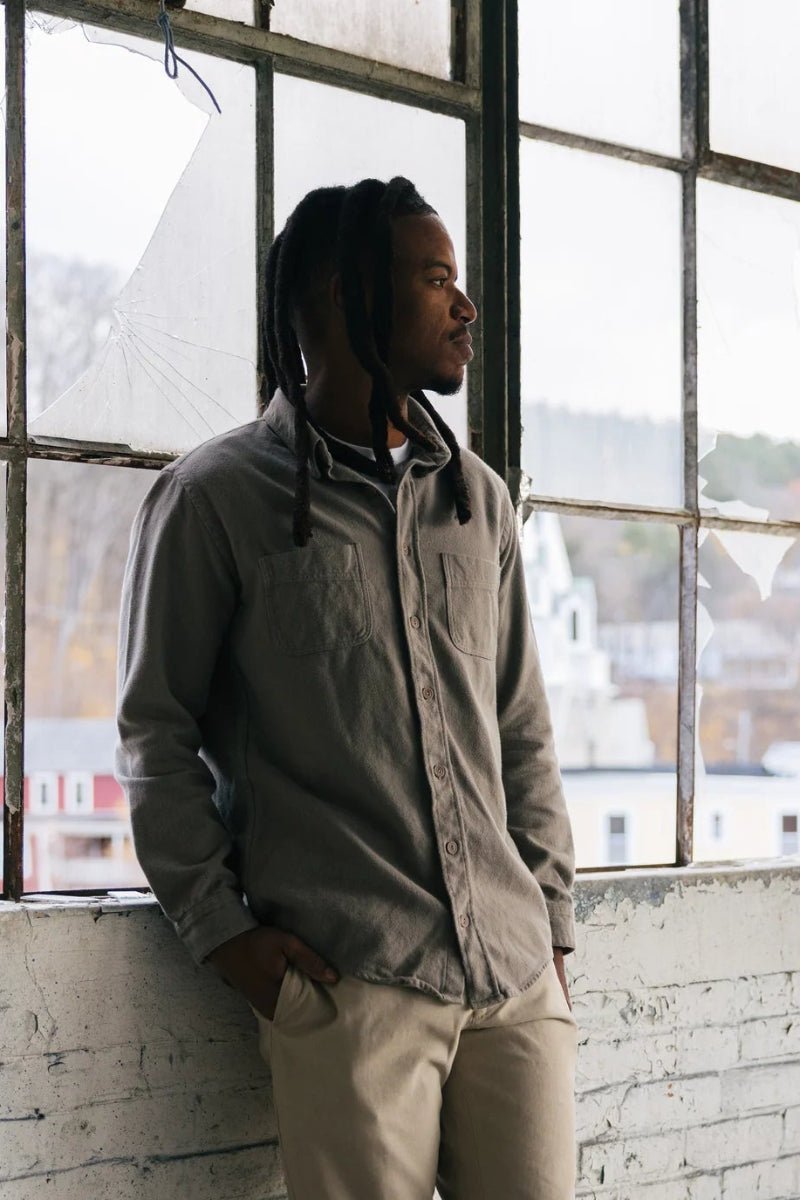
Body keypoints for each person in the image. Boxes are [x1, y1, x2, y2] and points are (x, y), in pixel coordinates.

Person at [115, 175, 579, 1199]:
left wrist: (548, 925)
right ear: (340, 293)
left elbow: (521, 729)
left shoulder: (478, 502)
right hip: (350, 982)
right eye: (434, 278)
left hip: (510, 979)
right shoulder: (214, 502)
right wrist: (224, 935)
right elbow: (155, 731)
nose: (463, 306)